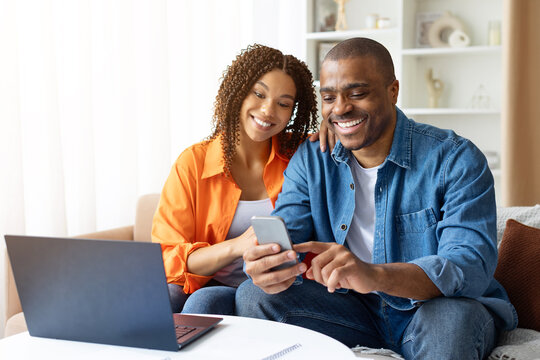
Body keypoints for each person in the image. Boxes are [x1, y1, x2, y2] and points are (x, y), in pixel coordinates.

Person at [235, 38, 517, 359]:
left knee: (453, 320)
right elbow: (287, 237)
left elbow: (469, 264)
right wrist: (268, 266)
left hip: (430, 310)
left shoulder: (455, 159)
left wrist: (373, 275)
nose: (340, 108)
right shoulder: (313, 159)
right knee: (253, 295)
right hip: (351, 311)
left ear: (393, 91)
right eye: (329, 97)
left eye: (357, 94)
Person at [151, 44, 320, 315]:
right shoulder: (193, 163)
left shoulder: (301, 154)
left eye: (283, 103)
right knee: (192, 301)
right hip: (215, 284)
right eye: (259, 93)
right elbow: (166, 258)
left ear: (293, 112)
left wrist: (333, 127)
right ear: (239, 91)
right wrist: (237, 246)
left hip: (282, 286)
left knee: (225, 299)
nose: (268, 110)